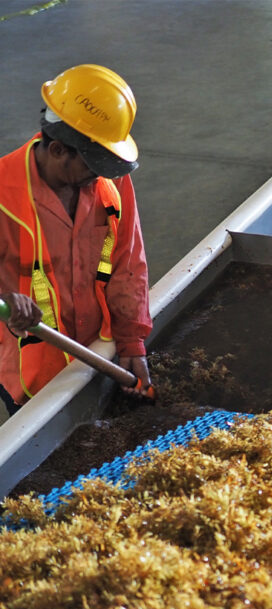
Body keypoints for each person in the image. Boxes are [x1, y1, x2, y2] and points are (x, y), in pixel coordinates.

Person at [0, 64, 153, 416]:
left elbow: (128, 263)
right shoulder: (4, 195)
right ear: (56, 150)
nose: (100, 175)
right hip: (29, 374)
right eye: (92, 164)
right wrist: (7, 303)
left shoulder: (107, 180)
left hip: (97, 350)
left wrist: (132, 342)